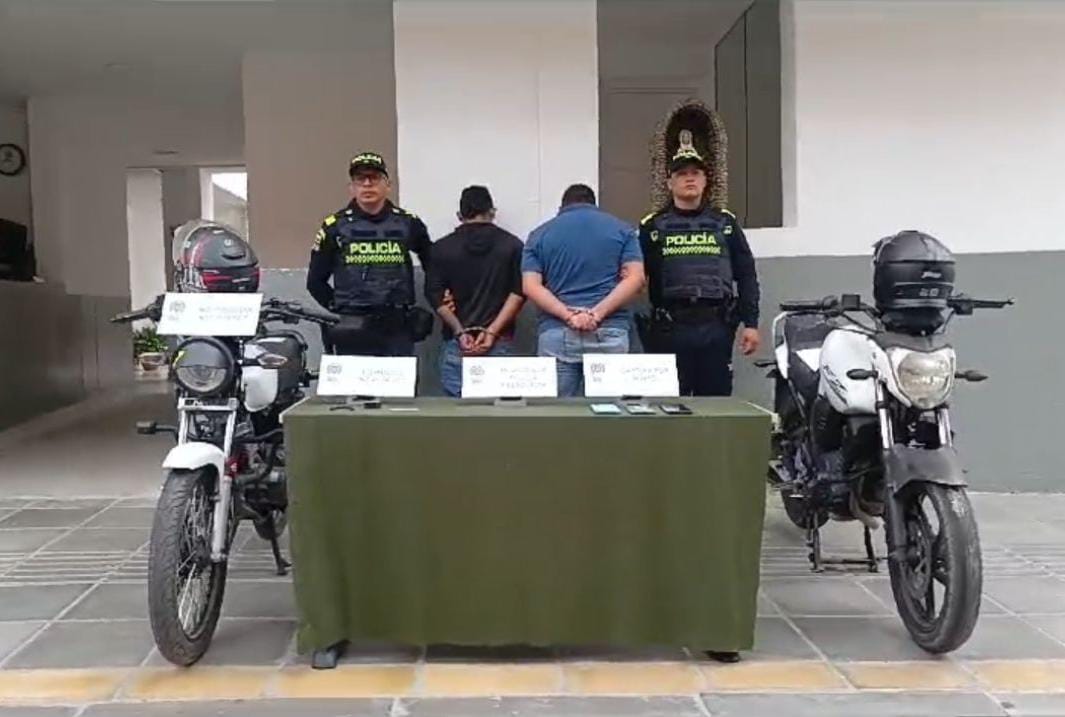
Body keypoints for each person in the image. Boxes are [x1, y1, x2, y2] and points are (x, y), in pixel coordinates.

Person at [639, 143, 761, 396]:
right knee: (671, 404)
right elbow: (635, 277)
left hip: (716, 326)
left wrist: (751, 323)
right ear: (669, 182)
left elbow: (747, 275)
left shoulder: (725, 223)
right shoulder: (652, 227)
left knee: (716, 403)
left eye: (695, 173)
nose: (690, 178)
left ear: (705, 180)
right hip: (670, 328)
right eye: (682, 173)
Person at [522, 184, 645, 397]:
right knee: (609, 411)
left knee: (557, 412)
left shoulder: (539, 235)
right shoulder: (623, 230)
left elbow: (531, 286)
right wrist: (596, 314)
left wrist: (569, 316)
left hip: (557, 332)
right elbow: (636, 278)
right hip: (610, 330)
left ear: (562, 207)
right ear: (594, 204)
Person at [306, 151, 433, 356]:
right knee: (354, 378)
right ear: (352, 187)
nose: (367, 184)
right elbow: (315, 282)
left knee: (397, 378)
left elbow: (434, 265)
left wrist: (438, 296)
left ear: (387, 185)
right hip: (353, 327)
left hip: (397, 326)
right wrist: (340, 309)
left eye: (374, 178)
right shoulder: (335, 227)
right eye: (360, 179)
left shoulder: (408, 223)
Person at [427, 186, 525, 397]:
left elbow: (435, 296)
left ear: (459, 215)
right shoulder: (513, 246)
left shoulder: (441, 248)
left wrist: (460, 332)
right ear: (492, 212)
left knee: (458, 412)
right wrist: (492, 331)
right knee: (501, 411)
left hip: (457, 344)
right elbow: (519, 292)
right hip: (500, 341)